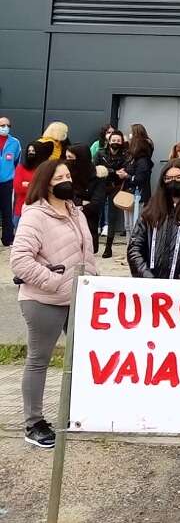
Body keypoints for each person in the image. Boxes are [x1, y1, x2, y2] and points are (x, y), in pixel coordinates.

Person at [10, 160, 97, 449]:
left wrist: (92, 281)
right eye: (59, 176)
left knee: (82, 359)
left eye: (68, 174)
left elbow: (86, 254)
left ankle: (79, 414)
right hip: (44, 300)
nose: (65, 179)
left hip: (78, 299)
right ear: (46, 182)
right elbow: (20, 261)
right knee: (39, 361)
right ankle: (33, 423)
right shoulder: (35, 215)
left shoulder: (76, 212)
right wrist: (55, 282)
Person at [65, 144, 107, 253]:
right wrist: (81, 203)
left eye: (70, 158)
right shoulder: (65, 175)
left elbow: (97, 203)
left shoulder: (98, 176)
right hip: (68, 225)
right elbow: (65, 197)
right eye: (67, 157)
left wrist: (77, 207)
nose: (67, 161)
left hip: (89, 225)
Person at [95, 130, 128, 258]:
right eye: (113, 140)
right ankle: (94, 242)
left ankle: (108, 247)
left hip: (116, 188)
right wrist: (113, 171)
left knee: (112, 217)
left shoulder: (125, 155)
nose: (115, 143)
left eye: (118, 141)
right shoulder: (100, 153)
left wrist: (109, 172)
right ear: (109, 141)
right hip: (101, 186)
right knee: (96, 213)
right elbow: (96, 168)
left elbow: (126, 170)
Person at [118, 124, 154, 239]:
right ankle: (129, 252)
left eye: (130, 134)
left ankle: (135, 252)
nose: (128, 137)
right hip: (128, 194)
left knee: (135, 226)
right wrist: (123, 171)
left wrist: (126, 176)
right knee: (128, 226)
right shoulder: (131, 157)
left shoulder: (143, 159)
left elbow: (140, 178)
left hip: (138, 196)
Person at [14, 142, 51, 228]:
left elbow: (45, 188)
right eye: (29, 151)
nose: (30, 153)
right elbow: (18, 188)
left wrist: (27, 184)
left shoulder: (44, 169)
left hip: (39, 210)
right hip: (21, 210)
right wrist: (35, 185)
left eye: (33, 151)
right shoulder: (20, 168)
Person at [0, 115, 23, 245]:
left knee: (7, 211)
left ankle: (8, 239)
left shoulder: (15, 143)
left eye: (8, 126)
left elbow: (17, 162)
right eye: (2, 125)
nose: (5, 128)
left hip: (7, 182)